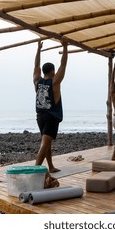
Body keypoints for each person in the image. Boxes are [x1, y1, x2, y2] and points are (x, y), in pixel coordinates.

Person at [33, 37, 68, 177]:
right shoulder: (55, 82)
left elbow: (35, 66)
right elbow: (63, 65)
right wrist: (65, 47)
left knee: (46, 142)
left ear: (43, 72)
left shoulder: (36, 80)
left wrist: (38, 50)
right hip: (51, 117)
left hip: (40, 116)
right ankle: (35, 172)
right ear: (52, 71)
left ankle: (51, 166)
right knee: (44, 144)